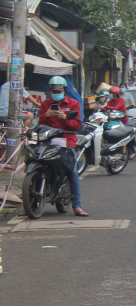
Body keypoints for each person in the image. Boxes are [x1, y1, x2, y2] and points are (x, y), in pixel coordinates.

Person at [39, 77, 88, 217]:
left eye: (58, 91)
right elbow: (40, 124)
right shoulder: (45, 104)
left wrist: (65, 117)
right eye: (53, 91)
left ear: (64, 90)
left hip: (67, 141)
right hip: (49, 141)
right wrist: (46, 116)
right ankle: (32, 202)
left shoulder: (73, 104)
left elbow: (77, 126)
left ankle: (77, 206)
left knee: (72, 171)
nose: (56, 93)